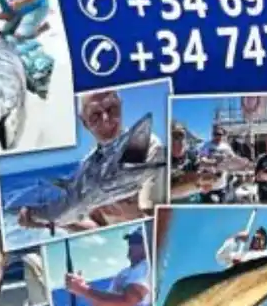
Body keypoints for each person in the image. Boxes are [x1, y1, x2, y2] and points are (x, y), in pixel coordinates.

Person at [17, 89, 165, 233]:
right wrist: (47, 223)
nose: (106, 119)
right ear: (85, 123)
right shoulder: (86, 165)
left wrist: (133, 214)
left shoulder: (149, 146)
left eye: (112, 109)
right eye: (95, 115)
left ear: (121, 106)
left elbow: (157, 225)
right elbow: (96, 227)